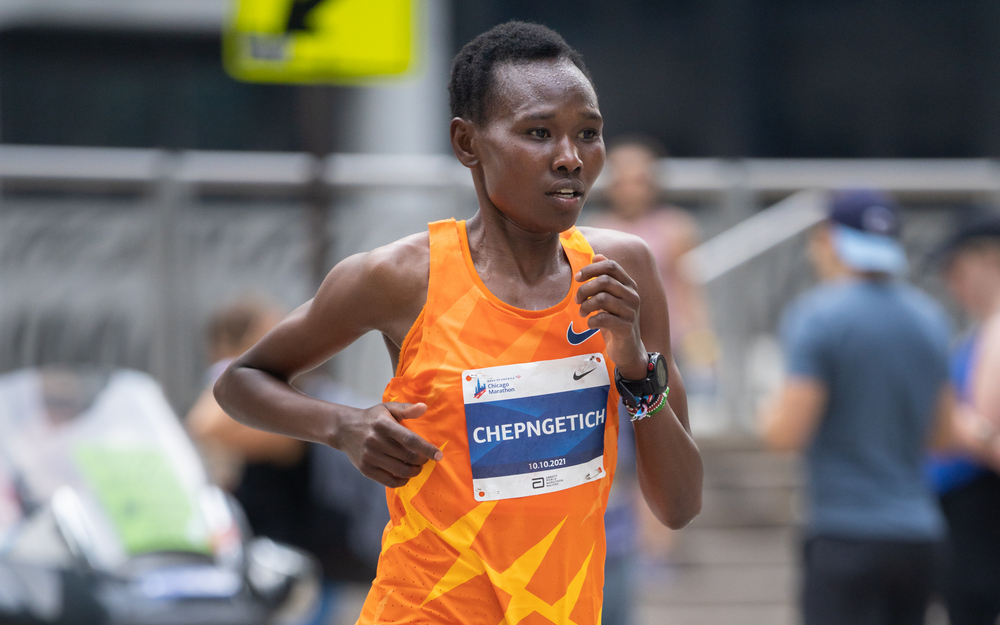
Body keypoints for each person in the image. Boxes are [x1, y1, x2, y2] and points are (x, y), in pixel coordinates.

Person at [215, 21, 703, 625]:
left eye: (588, 133)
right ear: (467, 142)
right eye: (539, 133)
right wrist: (342, 426)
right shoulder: (401, 277)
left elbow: (679, 505)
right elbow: (239, 381)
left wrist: (631, 363)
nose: (570, 158)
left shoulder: (621, 271)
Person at [759, 189, 953, 625]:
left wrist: (766, 413)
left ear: (828, 240)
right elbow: (942, 435)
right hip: (919, 535)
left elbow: (787, 433)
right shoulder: (930, 318)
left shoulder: (818, 317)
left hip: (845, 532)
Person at [590, 138, 719, 625]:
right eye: (624, 178)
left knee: (660, 447)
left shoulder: (675, 228)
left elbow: (688, 288)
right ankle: (623, 542)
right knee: (616, 454)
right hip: (607, 360)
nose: (632, 187)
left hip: (663, 353)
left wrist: (703, 346)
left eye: (641, 178)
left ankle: (657, 550)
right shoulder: (594, 230)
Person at [927, 213, 1000, 625]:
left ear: (991, 260)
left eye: (956, 269)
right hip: (962, 509)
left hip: (981, 507)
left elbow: (985, 431)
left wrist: (952, 421)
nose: (951, 283)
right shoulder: (980, 330)